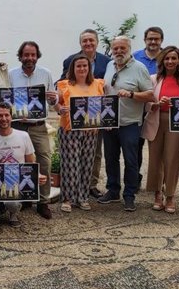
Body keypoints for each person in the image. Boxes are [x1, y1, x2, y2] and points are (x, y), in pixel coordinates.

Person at [99, 36, 154, 212]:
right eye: (115, 49)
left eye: (122, 48)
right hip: (109, 122)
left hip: (130, 123)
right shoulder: (109, 65)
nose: (118, 52)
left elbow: (150, 95)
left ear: (129, 48)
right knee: (110, 158)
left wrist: (131, 94)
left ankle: (129, 195)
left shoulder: (139, 68)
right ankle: (113, 190)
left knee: (131, 161)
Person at [0, 102, 46, 232]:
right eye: (0, 115)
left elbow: (31, 163)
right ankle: (0, 207)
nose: (4, 119)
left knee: (11, 201)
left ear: (11, 117)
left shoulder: (23, 136)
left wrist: (38, 175)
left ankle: (13, 212)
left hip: (16, 184)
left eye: (6, 115)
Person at [141, 46, 179, 214]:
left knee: (172, 159)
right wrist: (156, 104)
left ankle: (170, 195)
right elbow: (146, 102)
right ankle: (158, 193)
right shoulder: (153, 79)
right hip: (156, 121)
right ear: (162, 61)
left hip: (176, 124)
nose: (170, 61)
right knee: (156, 159)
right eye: (167, 58)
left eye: (174, 58)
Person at [60, 29, 111, 199]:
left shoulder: (107, 62)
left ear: (97, 42)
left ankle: (90, 186)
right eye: (85, 41)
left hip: (93, 125)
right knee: (71, 162)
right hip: (71, 125)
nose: (88, 44)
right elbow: (61, 88)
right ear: (80, 44)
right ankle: (70, 194)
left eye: (91, 40)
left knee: (93, 157)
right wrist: (57, 101)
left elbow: (106, 96)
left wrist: (108, 118)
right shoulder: (70, 60)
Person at [9, 41, 57, 219]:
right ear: (20, 56)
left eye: (33, 55)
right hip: (18, 125)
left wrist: (52, 99)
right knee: (18, 163)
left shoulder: (46, 74)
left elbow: (53, 101)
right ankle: (25, 197)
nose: (29, 58)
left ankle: (43, 202)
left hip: (38, 126)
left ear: (37, 56)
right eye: (26, 55)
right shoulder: (11, 75)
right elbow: (7, 99)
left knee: (44, 161)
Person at [55, 55, 105, 212]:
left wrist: (108, 122)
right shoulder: (64, 85)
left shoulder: (98, 84)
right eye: (78, 66)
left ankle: (82, 197)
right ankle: (68, 198)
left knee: (87, 164)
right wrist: (59, 109)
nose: (82, 68)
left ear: (89, 68)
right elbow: (56, 104)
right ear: (73, 69)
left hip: (91, 131)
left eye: (85, 66)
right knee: (70, 164)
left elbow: (104, 106)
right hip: (69, 130)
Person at [132, 26, 164, 188]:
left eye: (156, 39)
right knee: (136, 146)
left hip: (159, 109)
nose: (153, 41)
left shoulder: (167, 57)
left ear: (161, 40)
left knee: (159, 148)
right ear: (145, 40)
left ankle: (159, 182)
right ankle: (135, 178)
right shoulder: (135, 57)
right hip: (137, 108)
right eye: (150, 38)